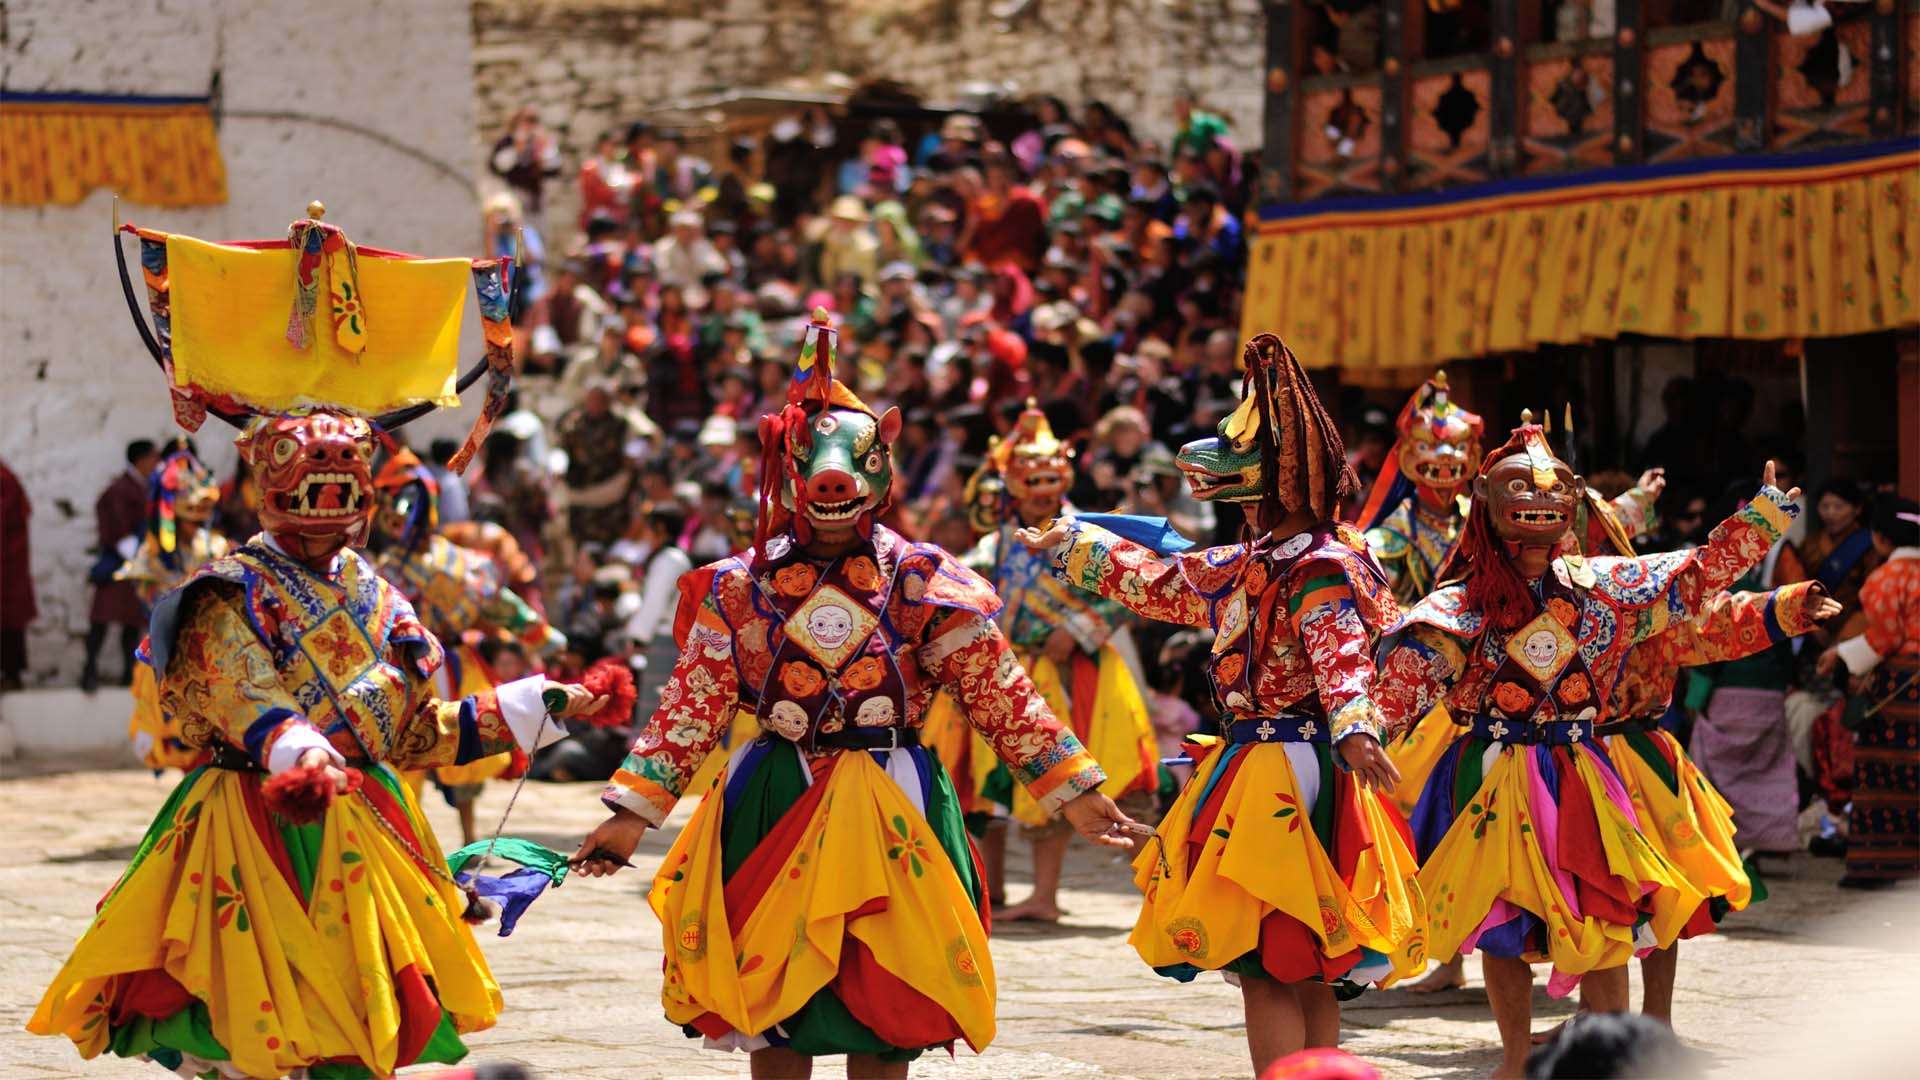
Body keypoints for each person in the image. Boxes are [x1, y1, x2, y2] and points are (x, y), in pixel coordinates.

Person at [29, 206, 602, 1075]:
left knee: (354, 1031)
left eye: (344, 494)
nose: (328, 512)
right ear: (271, 491)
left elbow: (412, 731)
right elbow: (243, 694)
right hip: (257, 819)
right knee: (250, 1033)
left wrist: (536, 705)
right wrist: (298, 747)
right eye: (312, 493)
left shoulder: (376, 590)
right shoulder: (227, 592)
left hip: (367, 822)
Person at [570, 311, 1138, 1076]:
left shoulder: (922, 577)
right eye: (815, 467)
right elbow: (692, 706)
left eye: (853, 466)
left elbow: (998, 687)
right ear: (788, 472)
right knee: (773, 1002)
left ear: (883, 470)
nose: (833, 484)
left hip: (894, 789)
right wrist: (630, 817)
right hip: (775, 790)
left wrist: (1071, 788)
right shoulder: (740, 587)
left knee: (886, 1003)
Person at [1024, 334, 1424, 1073]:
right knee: (1298, 951)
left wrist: (1357, 726)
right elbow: (1163, 580)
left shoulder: (1318, 566)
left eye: (1243, 451)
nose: (1212, 460)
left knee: (1269, 957)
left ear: (1285, 473)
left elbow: (1340, 654)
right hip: (1264, 758)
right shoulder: (1251, 562)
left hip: (1289, 762)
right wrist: (1074, 543)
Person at [1371, 412, 1795, 1078]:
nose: (1538, 503)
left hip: (1580, 768)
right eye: (1520, 490)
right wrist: (1355, 735)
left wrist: (1763, 519)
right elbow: (1399, 686)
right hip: (1490, 768)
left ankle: (1618, 1059)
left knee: (1605, 917)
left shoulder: (1606, 590)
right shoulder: (1459, 607)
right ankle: (1515, 1058)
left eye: (1551, 492)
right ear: (1488, 508)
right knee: (1498, 924)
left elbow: (1694, 578)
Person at [929, 403, 1157, 921]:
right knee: (987, 780)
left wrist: (1074, 630)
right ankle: (994, 887)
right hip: (1004, 667)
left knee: (1068, 775)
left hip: (1076, 673)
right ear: (1010, 481)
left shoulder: (1087, 535)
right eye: (1030, 477)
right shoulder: (995, 543)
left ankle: (1049, 893)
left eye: (1050, 476)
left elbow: (1128, 592)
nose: (1041, 487)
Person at [369, 452, 568, 846]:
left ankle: (455, 838)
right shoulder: (454, 561)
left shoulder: (446, 563)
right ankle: (425, 837)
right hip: (426, 665)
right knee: (414, 755)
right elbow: (506, 607)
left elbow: (504, 606)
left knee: (447, 749)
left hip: (432, 666)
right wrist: (546, 640)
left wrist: (545, 640)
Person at [1819, 497, 1920, 888]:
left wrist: (1840, 653)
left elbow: (1885, 638)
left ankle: (1880, 864)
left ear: (1879, 539)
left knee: (1885, 774)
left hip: (1903, 687)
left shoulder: (1886, 578)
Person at [116, 445, 232, 771]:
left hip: (215, 652)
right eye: (187, 517)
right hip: (166, 652)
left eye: (201, 517)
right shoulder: (151, 552)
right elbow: (148, 595)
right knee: (173, 734)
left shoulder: (217, 546)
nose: (195, 525)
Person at [83, 438, 160, 692]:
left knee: (131, 621)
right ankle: (90, 670)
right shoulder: (121, 488)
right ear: (141, 460)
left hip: (136, 563)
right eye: (153, 457)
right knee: (102, 621)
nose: (156, 463)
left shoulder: (143, 487)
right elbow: (113, 522)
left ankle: (129, 672)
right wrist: (128, 547)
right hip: (118, 561)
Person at [489, 105, 563, 222]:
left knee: (538, 236)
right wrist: (517, 148)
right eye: (527, 120)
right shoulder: (506, 141)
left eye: (534, 121)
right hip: (513, 195)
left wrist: (545, 147)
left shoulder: (540, 142)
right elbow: (498, 166)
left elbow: (554, 167)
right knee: (519, 232)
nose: (530, 125)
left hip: (536, 198)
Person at [0, 457, 32, 691]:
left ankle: (11, 675)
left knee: (9, 621)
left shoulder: (4, 479)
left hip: (8, 565)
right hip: (9, 564)